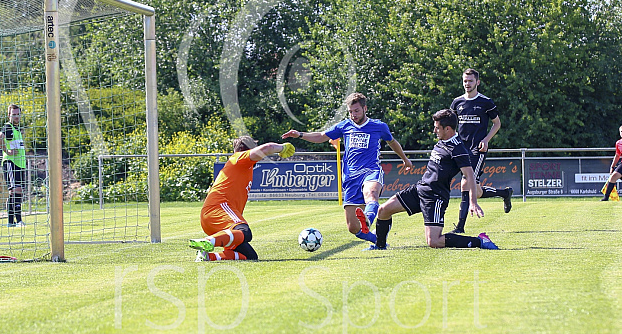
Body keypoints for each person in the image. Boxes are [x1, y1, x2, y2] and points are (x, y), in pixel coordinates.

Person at [282, 92, 412, 249]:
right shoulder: (344, 126)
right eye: (350, 111)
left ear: (365, 108)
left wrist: (405, 159)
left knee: (371, 194)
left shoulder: (379, 126)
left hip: (371, 170)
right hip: (350, 177)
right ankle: (379, 242)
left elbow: (392, 142)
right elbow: (321, 136)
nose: (353, 115)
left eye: (356, 111)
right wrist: (300, 134)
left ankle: (369, 219)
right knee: (353, 228)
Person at [373, 109, 499, 250]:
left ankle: (480, 241)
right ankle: (379, 246)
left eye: (437, 127)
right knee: (383, 210)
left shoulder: (458, 149)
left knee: (434, 241)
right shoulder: (442, 140)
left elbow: (470, 175)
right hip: (421, 188)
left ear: (448, 129)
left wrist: (473, 202)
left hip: (435, 196)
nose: (434, 130)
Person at [189, 136, 295, 261]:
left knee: (249, 256)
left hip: (214, 215)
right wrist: (282, 148)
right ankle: (208, 241)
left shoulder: (244, 166)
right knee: (245, 232)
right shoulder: (239, 158)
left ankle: (207, 257)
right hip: (218, 208)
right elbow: (267, 148)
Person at [448, 68, 512, 234]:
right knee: (476, 189)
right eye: (465, 81)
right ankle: (504, 193)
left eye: (470, 81)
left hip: (477, 150)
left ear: (477, 82)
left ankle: (460, 227)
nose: (467, 84)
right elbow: (452, 126)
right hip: (461, 150)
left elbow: (497, 123)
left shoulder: (485, 102)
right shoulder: (457, 103)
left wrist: (486, 140)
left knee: (465, 184)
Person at [0, 104, 27, 227]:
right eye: (13, 114)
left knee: (16, 192)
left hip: (19, 163)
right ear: (9, 115)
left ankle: (11, 222)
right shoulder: (8, 127)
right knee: (16, 191)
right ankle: (18, 221)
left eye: (18, 114)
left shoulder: (17, 129)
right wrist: (7, 151)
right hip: (11, 162)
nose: (16, 116)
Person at [601, 124, 622, 201]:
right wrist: (612, 166)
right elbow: (617, 155)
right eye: (621, 131)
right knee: (613, 177)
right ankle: (606, 197)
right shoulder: (618, 143)